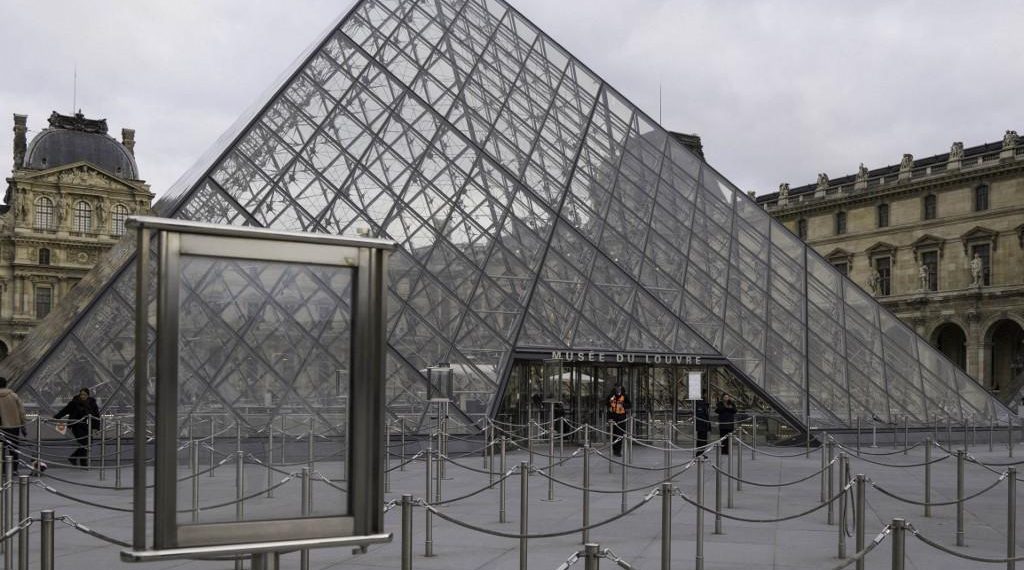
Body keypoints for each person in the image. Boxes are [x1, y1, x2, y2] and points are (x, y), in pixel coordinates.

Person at [54, 388, 100, 467]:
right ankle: (80, 461)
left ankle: (76, 459)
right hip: (76, 426)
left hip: (87, 426)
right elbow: (65, 410)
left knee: (88, 443)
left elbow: (96, 415)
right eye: (81, 394)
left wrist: (96, 428)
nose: (82, 396)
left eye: (84, 395)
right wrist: (56, 417)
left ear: (88, 395)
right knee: (84, 443)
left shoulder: (92, 403)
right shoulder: (74, 403)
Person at [0, 378, 27, 473]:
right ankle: (14, 469)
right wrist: (23, 424)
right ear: (6, 384)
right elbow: (21, 412)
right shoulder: (14, 396)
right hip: (14, 426)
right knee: (14, 449)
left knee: (1, 449)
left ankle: (2, 469)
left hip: (1, 428)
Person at [607, 384, 631, 457]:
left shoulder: (624, 396)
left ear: (621, 389)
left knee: (620, 435)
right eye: (616, 388)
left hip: (621, 418)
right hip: (613, 418)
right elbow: (607, 404)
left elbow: (630, 405)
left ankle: (618, 451)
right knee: (613, 434)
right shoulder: (611, 396)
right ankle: (614, 449)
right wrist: (608, 417)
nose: (618, 389)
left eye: (619, 388)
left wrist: (623, 405)